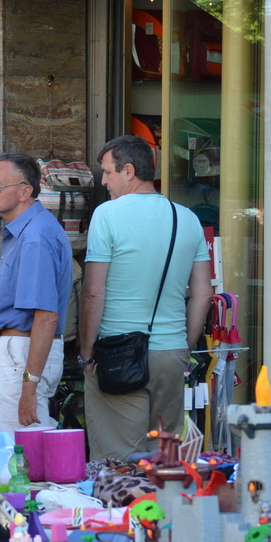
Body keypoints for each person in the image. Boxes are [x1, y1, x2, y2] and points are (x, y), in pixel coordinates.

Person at [79, 135, 214, 461]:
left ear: (128, 171)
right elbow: (203, 293)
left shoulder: (107, 215)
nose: (104, 180)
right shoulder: (188, 218)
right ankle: (163, 513)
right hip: (171, 354)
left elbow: (94, 291)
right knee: (164, 460)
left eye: (108, 172)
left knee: (119, 465)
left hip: (117, 353)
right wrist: (184, 343)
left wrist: (86, 353)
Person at [0, 152, 73, 437]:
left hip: (20, 354)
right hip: (18, 354)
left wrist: (29, 385)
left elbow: (46, 317)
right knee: (13, 449)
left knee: (17, 454)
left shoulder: (35, 236)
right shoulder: (28, 231)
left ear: (25, 191)